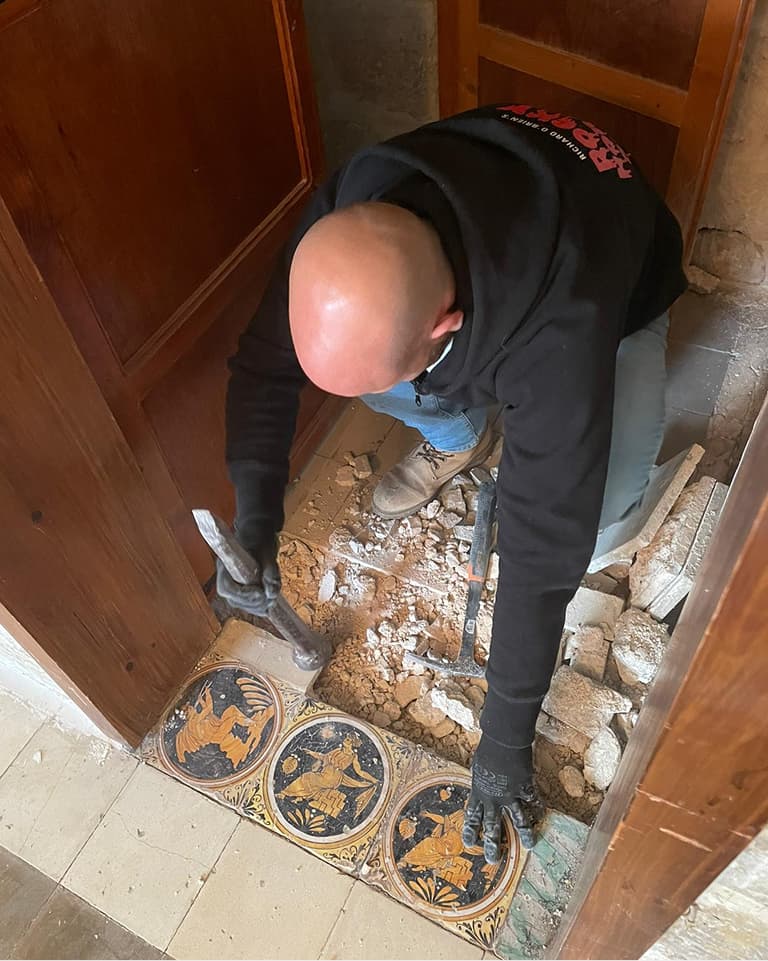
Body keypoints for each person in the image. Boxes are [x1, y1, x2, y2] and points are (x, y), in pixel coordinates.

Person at [219, 103, 686, 864]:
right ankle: (458, 435)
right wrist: (255, 519)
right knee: (369, 373)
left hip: (621, 272)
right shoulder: (345, 226)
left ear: (448, 326)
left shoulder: (563, 325)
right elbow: (265, 367)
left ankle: (472, 408)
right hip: (489, 216)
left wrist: (504, 737)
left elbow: (542, 545)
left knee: (599, 508)